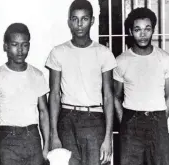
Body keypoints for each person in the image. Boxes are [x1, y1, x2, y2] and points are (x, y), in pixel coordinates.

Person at [45, 0, 116, 164]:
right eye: (75, 19)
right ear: (69, 21)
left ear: (92, 21)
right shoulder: (58, 52)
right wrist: (54, 134)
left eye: (84, 19)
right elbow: (54, 95)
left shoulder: (103, 53)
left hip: (95, 120)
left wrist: (108, 138)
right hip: (67, 119)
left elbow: (108, 96)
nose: (79, 24)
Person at [114, 7, 169, 165]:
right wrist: (125, 121)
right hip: (130, 123)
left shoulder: (165, 59)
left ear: (153, 30)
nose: (142, 34)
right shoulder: (121, 61)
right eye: (137, 29)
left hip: (158, 123)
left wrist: (159, 119)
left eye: (147, 29)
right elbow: (116, 96)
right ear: (130, 31)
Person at [0, 23, 50, 165]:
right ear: (6, 46)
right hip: (7, 139)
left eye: (24, 45)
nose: (20, 50)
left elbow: (43, 112)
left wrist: (46, 145)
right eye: (15, 44)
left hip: (33, 137)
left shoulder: (37, 75)